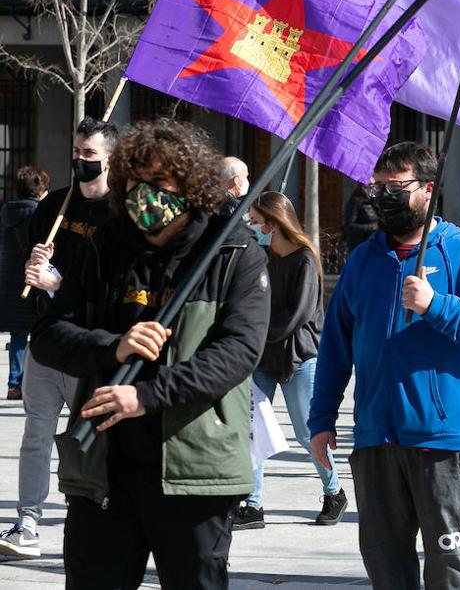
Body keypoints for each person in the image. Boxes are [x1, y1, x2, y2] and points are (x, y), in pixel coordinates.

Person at [26, 118, 269, 587]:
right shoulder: (104, 246)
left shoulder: (233, 252)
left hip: (193, 471)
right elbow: (49, 333)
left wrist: (147, 396)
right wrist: (111, 348)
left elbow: (238, 353)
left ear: (191, 185)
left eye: (160, 183)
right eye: (135, 183)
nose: (146, 195)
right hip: (103, 469)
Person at [309, 141, 460, 590]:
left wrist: (437, 306)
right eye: (376, 186)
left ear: (427, 189)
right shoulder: (364, 260)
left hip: (442, 440)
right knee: (385, 566)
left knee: (453, 566)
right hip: (375, 439)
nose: (382, 196)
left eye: (394, 186)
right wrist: (321, 419)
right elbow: (336, 348)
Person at [0, 118, 119, 560]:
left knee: (87, 436)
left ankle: (95, 512)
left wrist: (56, 283)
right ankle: (27, 520)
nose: (80, 161)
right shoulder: (54, 205)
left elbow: (106, 289)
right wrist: (36, 259)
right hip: (44, 341)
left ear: (110, 159)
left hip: (87, 347)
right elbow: (35, 256)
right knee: (36, 433)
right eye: (76, 152)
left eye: (89, 154)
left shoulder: (119, 213)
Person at [234, 191, 346, 530]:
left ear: (273, 223)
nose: (250, 225)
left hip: (300, 356)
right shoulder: (261, 257)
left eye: (254, 220)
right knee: (252, 428)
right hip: (263, 356)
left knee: (307, 432)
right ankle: (252, 504)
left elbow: (296, 315)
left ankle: (334, 492)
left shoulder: (305, 260)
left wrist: (254, 331)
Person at [1, 166, 48, 400]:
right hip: (36, 278)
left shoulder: (6, 213)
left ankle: (14, 385)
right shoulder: (41, 213)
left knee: (18, 335)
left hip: (11, 282)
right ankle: (37, 386)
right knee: (42, 331)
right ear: (41, 191)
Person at [342, 184, 379, 254]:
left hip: (373, 244)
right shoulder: (356, 200)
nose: (373, 188)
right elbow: (349, 225)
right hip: (359, 245)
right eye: (370, 185)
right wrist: (372, 227)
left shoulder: (373, 201)